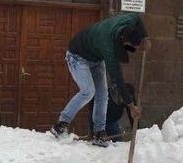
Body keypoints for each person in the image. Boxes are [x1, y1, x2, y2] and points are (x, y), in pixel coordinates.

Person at [50, 13, 148, 147]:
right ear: (122, 41)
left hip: (96, 57)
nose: (131, 50)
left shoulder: (129, 21)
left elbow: (137, 17)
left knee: (103, 95)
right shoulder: (108, 46)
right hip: (77, 56)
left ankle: (99, 133)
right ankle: (61, 124)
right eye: (129, 47)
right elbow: (117, 78)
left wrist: (145, 37)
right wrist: (130, 106)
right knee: (88, 91)